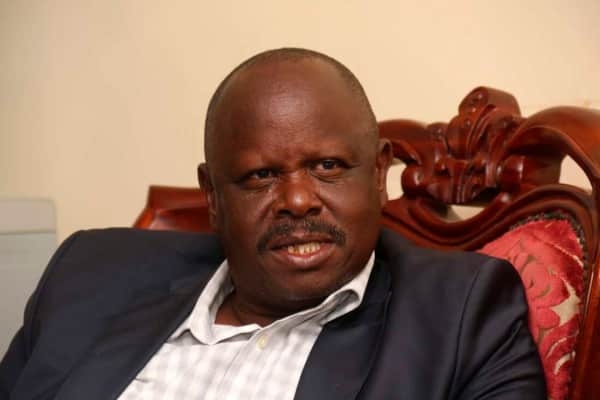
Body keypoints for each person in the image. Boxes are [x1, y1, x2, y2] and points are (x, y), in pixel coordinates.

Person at [0, 48, 545, 399]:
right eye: (261, 176)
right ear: (213, 196)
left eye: (327, 166)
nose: (298, 201)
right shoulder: (90, 275)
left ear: (379, 174)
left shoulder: (460, 315)